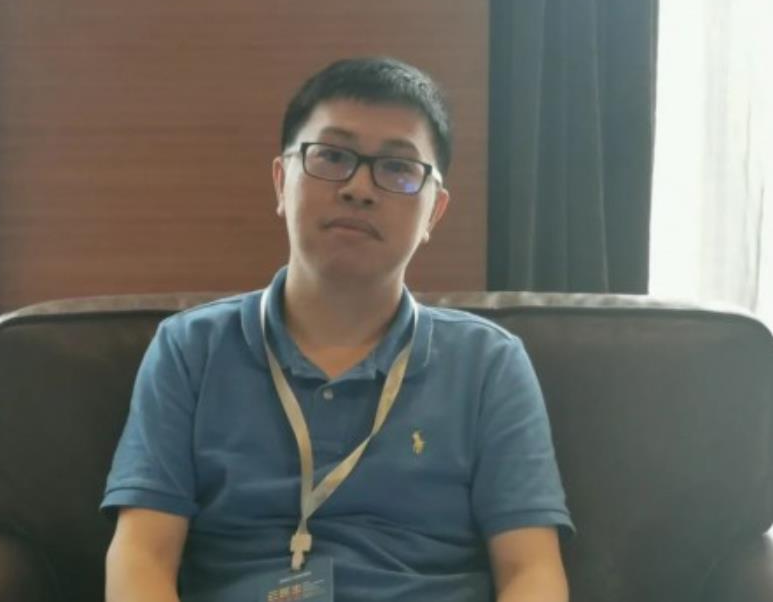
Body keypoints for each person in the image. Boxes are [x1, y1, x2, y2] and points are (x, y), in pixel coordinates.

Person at [101, 57, 574, 602]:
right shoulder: (191, 349)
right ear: (282, 181)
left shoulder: (488, 363)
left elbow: (530, 570)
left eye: (398, 168)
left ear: (435, 213)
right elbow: (141, 555)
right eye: (332, 156)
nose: (359, 188)